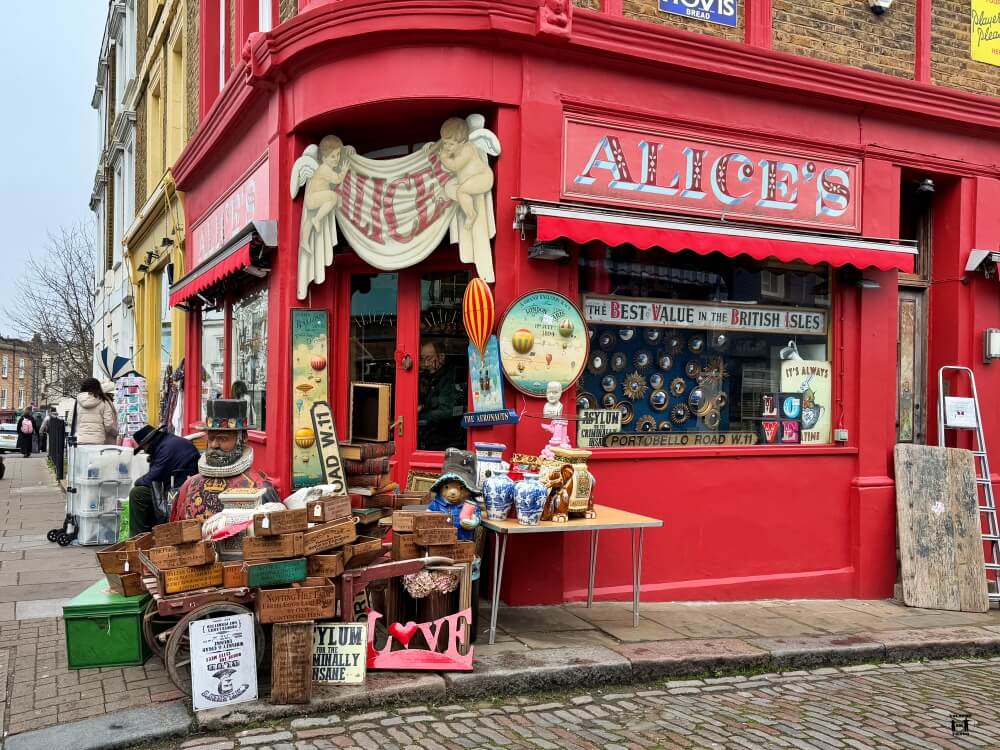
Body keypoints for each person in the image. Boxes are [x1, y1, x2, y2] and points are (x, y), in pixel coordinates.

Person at [170, 399, 278, 523]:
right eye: (211, 439)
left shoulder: (260, 488)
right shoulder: (189, 486)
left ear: (243, 438)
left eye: (223, 439)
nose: (214, 445)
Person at [127, 424, 201, 534]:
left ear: (148, 442)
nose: (145, 450)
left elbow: (153, 477)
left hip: (180, 488)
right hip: (178, 484)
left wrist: (137, 482)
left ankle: (139, 537)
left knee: (137, 493)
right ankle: (149, 535)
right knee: (144, 492)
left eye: (143, 447)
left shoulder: (166, 447)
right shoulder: (167, 442)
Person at [417, 340, 466, 451]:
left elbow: (448, 411)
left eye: (429, 359)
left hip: (445, 442)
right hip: (432, 439)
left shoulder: (449, 378)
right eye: (422, 360)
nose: (425, 364)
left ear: (441, 357)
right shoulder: (429, 378)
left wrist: (420, 415)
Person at [75, 378, 118, 445]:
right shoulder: (104, 402)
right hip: (98, 439)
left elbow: (72, 420)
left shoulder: (78, 402)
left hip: (81, 438)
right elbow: (108, 424)